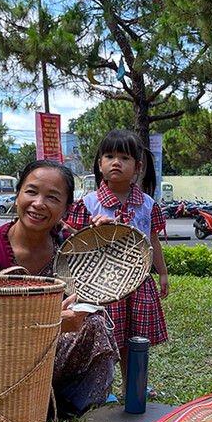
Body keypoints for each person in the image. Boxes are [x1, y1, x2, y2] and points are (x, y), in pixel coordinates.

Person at [0, 161, 119, 417]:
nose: (38, 203)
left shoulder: (67, 248)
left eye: (52, 197)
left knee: (96, 323)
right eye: (31, 192)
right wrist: (52, 323)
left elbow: (103, 283)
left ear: (67, 209)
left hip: (50, 354)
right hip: (0, 358)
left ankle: (71, 404)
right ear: (17, 195)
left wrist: (104, 238)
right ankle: (24, 403)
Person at [66, 129, 169, 389]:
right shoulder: (87, 204)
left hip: (138, 282)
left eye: (124, 157)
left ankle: (135, 386)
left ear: (137, 167)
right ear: (99, 164)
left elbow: (153, 241)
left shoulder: (147, 205)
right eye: (109, 156)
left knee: (135, 340)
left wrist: (163, 273)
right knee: (105, 338)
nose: (116, 162)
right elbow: (72, 243)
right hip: (100, 285)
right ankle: (105, 388)